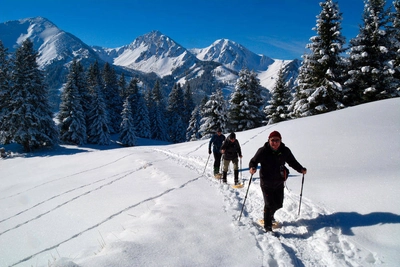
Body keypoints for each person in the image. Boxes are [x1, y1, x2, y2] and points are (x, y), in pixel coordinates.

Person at [249, 131, 307, 232]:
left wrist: (301, 169)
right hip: (266, 182)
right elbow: (253, 161)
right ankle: (268, 227)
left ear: (280, 141)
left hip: (279, 182)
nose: (275, 143)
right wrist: (252, 168)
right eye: (272, 140)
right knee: (269, 204)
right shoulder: (263, 151)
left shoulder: (285, 151)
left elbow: (292, 162)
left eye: (277, 140)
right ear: (269, 140)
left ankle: (270, 215)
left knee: (278, 204)